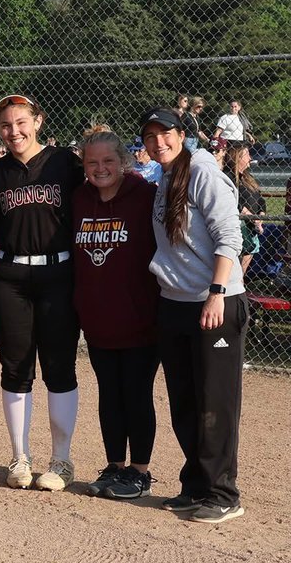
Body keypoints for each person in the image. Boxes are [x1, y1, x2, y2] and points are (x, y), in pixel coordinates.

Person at [142, 107, 248, 524]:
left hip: (214, 300)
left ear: (183, 134)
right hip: (175, 302)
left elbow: (230, 236)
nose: (158, 143)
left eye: (165, 134)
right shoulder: (165, 177)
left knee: (215, 402)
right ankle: (196, 486)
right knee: (185, 401)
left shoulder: (202, 171)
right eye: (150, 136)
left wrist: (217, 293)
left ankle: (223, 493)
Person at [0, 94, 84, 492]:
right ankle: (20, 456)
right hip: (10, 277)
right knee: (16, 366)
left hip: (58, 273)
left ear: (39, 121)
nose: (14, 132)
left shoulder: (65, 164)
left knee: (59, 366)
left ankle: (61, 459)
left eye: (21, 122)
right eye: (6, 126)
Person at [71, 128, 160, 501]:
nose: (100, 168)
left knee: (136, 393)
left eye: (108, 161)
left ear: (123, 162)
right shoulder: (78, 200)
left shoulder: (144, 197)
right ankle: (115, 466)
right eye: (92, 162)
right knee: (109, 394)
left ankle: (140, 471)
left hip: (141, 319)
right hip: (98, 320)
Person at [223, 145, 265, 275]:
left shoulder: (248, 177)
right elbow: (233, 201)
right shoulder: (229, 176)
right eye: (246, 154)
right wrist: (249, 216)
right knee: (233, 266)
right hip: (239, 225)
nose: (250, 158)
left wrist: (260, 217)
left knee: (242, 268)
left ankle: (240, 283)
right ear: (237, 158)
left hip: (252, 226)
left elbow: (260, 200)